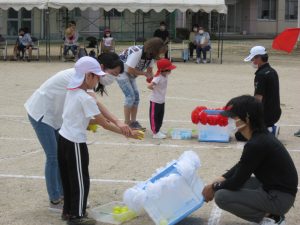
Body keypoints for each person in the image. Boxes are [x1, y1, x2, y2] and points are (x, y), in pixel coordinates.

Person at [24, 53, 131, 213]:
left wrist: (113, 122)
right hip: (42, 114)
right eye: (113, 74)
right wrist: (117, 122)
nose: (113, 79)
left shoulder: (87, 77)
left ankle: (63, 195)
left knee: (60, 158)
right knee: (53, 157)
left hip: (56, 117)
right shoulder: (78, 77)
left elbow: (93, 106)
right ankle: (55, 200)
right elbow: (95, 105)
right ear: (100, 69)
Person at [57, 57, 142, 225]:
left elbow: (92, 118)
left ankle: (68, 212)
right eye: (97, 76)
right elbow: (103, 123)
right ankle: (77, 217)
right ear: (89, 76)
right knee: (81, 180)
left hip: (63, 139)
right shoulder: (85, 98)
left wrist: (119, 123)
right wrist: (127, 133)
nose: (98, 80)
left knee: (68, 179)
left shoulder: (73, 90)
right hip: (75, 143)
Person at [202, 95, 298, 225]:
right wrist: (222, 178)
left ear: (246, 118)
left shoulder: (257, 143)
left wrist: (213, 187)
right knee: (229, 183)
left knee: (221, 196)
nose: (231, 120)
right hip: (275, 189)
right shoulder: (261, 136)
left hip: (279, 198)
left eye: (234, 117)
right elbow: (243, 165)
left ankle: (272, 218)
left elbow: (236, 181)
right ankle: (271, 213)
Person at [117, 37, 167, 130]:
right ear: (154, 49)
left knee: (136, 97)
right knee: (130, 96)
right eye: (159, 52)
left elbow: (150, 70)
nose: (160, 54)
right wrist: (144, 74)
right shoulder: (138, 52)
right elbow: (129, 69)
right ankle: (127, 123)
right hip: (120, 71)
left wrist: (153, 79)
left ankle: (133, 122)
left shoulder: (151, 56)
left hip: (131, 74)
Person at [244, 46, 281, 138]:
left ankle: (269, 130)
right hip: (275, 112)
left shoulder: (261, 75)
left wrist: (250, 115)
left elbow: (258, 99)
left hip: (266, 114)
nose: (252, 62)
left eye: (253, 59)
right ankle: (267, 127)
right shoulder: (272, 71)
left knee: (240, 135)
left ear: (259, 58)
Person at [147, 58, 176, 139]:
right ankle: (155, 133)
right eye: (169, 70)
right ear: (163, 70)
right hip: (155, 101)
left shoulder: (165, 75)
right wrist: (154, 89)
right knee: (154, 117)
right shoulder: (158, 77)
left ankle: (158, 130)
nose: (170, 71)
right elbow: (149, 86)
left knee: (160, 116)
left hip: (161, 100)